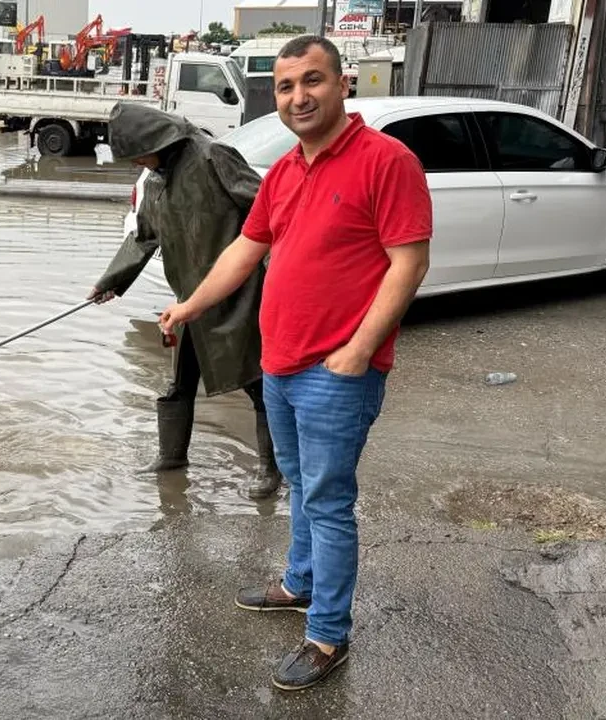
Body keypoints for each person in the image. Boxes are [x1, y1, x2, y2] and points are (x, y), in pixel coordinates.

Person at [158, 35, 432, 690]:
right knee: (298, 483)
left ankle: (328, 637)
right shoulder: (284, 171)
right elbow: (245, 252)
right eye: (285, 86)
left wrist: (359, 351)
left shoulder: (385, 161)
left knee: (328, 499)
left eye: (312, 81)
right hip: (278, 364)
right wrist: (189, 306)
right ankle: (300, 584)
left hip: (337, 372)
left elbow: (410, 262)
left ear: (344, 86)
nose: (298, 96)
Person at [88, 102, 283, 500]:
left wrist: (271, 264)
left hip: (236, 294)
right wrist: (110, 282)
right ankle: (172, 458)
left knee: (256, 384)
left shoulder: (212, 156)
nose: (138, 162)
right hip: (188, 299)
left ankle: (270, 468)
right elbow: (144, 235)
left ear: (156, 140)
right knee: (178, 384)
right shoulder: (155, 179)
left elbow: (267, 208)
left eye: (138, 153)